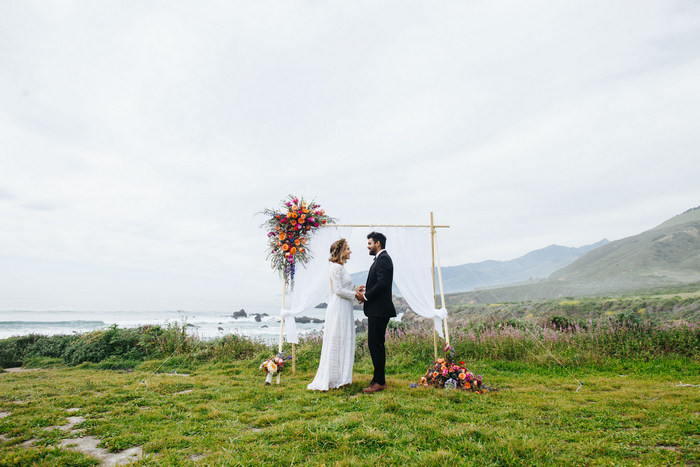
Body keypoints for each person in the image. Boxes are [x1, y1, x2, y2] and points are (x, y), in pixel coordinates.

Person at [307, 238, 358, 391]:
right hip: (339, 307)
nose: (350, 251)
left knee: (345, 339)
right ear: (341, 251)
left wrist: (356, 290)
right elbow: (338, 290)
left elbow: (344, 287)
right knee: (337, 339)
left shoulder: (341, 268)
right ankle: (333, 378)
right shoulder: (335, 268)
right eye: (348, 248)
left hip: (345, 306)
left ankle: (343, 377)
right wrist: (356, 294)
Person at [355, 231, 396, 394]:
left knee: (376, 346)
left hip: (379, 310)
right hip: (377, 310)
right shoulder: (380, 259)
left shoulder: (384, 259)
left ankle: (380, 381)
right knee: (375, 345)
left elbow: (382, 284)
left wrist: (365, 296)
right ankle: (378, 378)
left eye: (370, 243)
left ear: (378, 243)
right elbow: (379, 283)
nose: (368, 246)